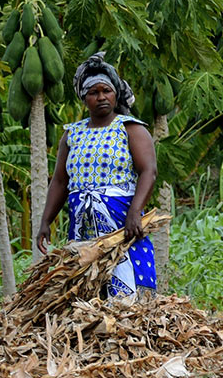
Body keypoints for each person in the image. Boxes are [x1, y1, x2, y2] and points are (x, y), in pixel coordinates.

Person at [36, 52, 158, 298]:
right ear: (84, 98)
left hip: (121, 221)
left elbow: (149, 171)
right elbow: (60, 181)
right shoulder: (72, 134)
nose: (101, 97)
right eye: (93, 92)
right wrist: (45, 221)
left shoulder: (130, 128)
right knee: (86, 286)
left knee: (126, 284)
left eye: (106, 91)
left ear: (115, 94)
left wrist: (135, 211)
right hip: (83, 224)